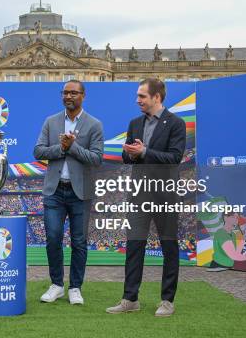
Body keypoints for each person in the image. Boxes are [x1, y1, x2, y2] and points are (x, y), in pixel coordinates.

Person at [106, 78, 186, 317]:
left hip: (165, 194)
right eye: (138, 96)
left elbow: (174, 158)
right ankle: (130, 299)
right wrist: (130, 153)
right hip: (139, 194)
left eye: (142, 96)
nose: (137, 100)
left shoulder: (176, 123)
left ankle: (167, 300)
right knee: (134, 246)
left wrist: (144, 151)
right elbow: (127, 158)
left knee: (169, 246)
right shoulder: (134, 123)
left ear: (157, 97)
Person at [34, 80, 104, 305]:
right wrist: (61, 148)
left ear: (83, 96)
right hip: (54, 191)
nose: (68, 96)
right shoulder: (51, 121)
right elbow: (38, 151)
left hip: (80, 192)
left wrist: (72, 147)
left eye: (73, 93)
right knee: (53, 238)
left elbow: (96, 158)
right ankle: (56, 285)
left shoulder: (94, 124)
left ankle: (75, 287)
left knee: (79, 242)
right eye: (65, 93)